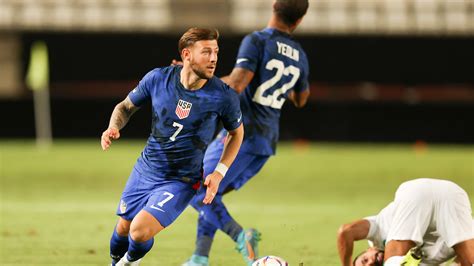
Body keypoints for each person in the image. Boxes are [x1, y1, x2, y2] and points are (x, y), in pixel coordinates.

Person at [101, 27, 244, 266]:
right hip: (146, 170)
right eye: (206, 52)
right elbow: (124, 107)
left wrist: (219, 173)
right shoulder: (158, 78)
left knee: (139, 231)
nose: (213, 59)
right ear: (186, 55)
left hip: (182, 180)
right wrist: (113, 127)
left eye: (216, 52)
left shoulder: (223, 96)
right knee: (123, 228)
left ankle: (128, 263)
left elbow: (236, 133)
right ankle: (116, 262)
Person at [182, 1, 310, 265]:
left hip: (243, 134)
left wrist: (200, 77)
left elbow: (237, 84)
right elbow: (301, 99)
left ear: (274, 6)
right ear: (299, 20)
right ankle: (199, 258)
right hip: (266, 140)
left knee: (197, 189)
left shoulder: (257, 40)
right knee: (209, 193)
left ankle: (242, 237)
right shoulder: (299, 54)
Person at [337, 178, 474, 266]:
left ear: (370, 249)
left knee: (392, 263)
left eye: (365, 260)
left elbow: (346, 231)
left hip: (414, 194)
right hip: (453, 195)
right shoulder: (436, 261)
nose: (371, 263)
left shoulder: (379, 230)